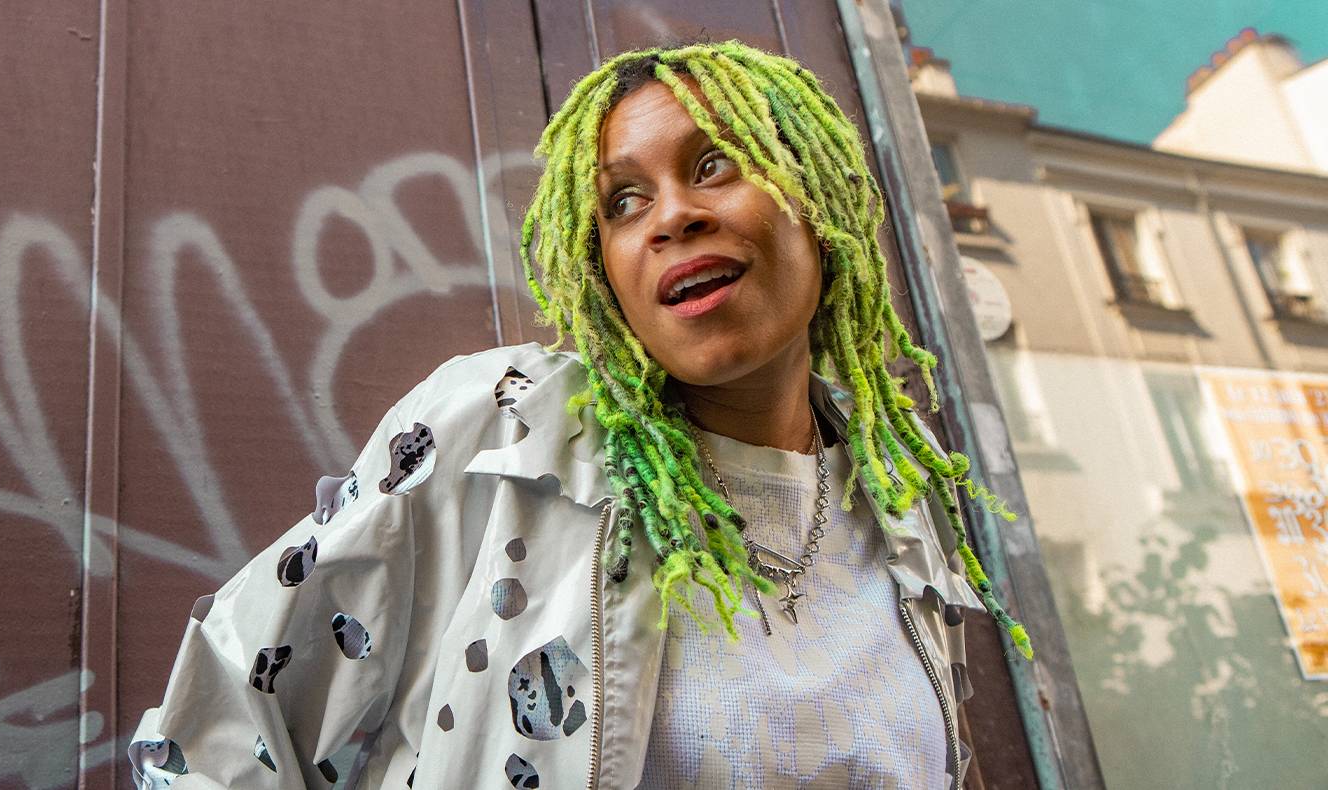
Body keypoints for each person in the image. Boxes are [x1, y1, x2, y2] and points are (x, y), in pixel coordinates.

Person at [129, 39, 1032, 789]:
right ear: (607, 275)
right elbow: (213, 729)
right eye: (624, 202)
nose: (670, 217)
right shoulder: (511, 434)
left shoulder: (895, 494)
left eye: (713, 165)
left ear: (820, 203)